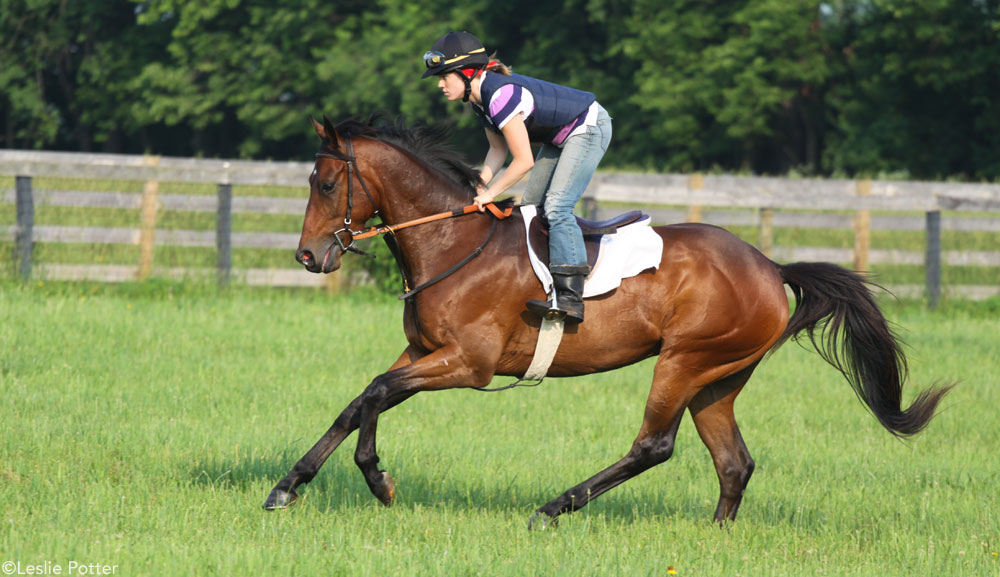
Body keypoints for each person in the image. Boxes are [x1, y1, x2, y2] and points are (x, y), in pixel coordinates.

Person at [422, 31, 612, 324]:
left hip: (589, 126)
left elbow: (522, 162)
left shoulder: (500, 96)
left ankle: (571, 298)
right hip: (558, 136)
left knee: (557, 207)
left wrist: (490, 194)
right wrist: (479, 187)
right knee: (533, 208)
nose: (440, 84)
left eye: (445, 75)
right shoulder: (479, 101)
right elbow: (497, 151)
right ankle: (542, 280)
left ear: (467, 72)